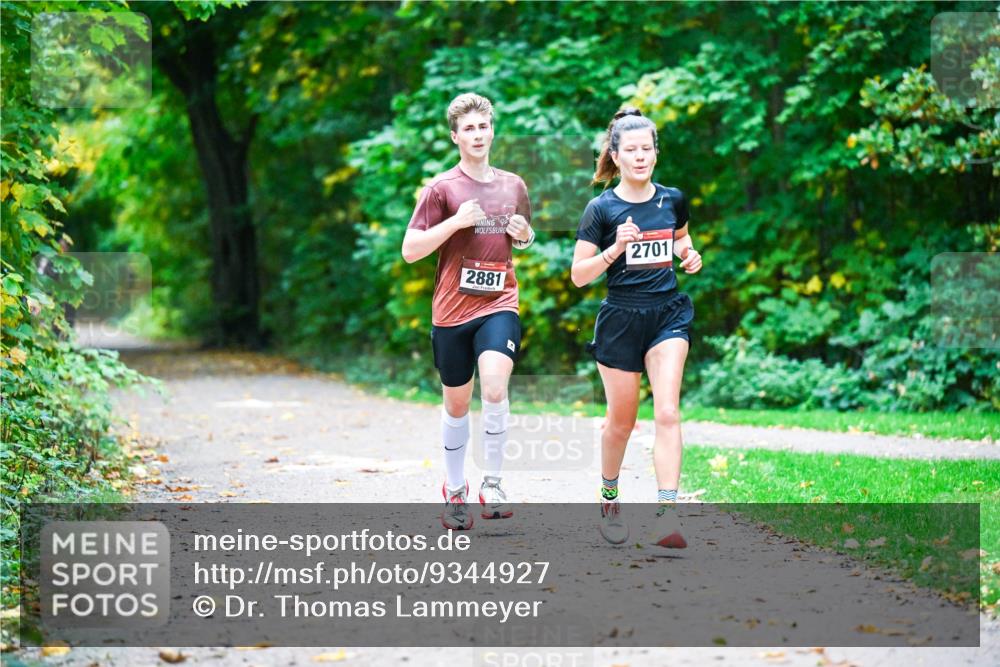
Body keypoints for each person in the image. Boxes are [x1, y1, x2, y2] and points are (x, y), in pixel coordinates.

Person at [401, 92, 534, 530]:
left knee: (494, 388)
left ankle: (492, 484)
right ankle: (455, 490)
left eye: (484, 126)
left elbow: (522, 236)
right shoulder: (441, 189)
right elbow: (410, 251)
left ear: (492, 131)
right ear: (456, 136)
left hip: (500, 303)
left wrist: (525, 234)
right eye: (469, 128)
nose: (478, 134)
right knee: (457, 405)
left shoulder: (514, 185)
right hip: (452, 312)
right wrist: (456, 222)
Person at [571, 107, 703, 547]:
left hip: (667, 313)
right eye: (631, 150)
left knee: (667, 411)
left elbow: (680, 238)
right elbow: (578, 275)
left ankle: (667, 512)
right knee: (621, 423)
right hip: (621, 319)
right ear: (616, 154)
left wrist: (689, 255)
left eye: (647, 149)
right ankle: (609, 495)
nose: (641, 157)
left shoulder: (673, 199)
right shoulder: (601, 208)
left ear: (655, 153)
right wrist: (614, 251)